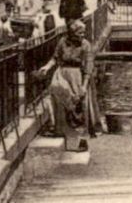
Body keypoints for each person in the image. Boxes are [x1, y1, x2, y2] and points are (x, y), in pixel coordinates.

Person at [36, 20, 91, 148]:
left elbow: (88, 67)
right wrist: (47, 67)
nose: (82, 35)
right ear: (71, 33)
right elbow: (55, 57)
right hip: (62, 74)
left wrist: (84, 85)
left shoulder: (86, 45)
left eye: (83, 33)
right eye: (79, 33)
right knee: (57, 99)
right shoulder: (63, 42)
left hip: (76, 76)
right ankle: (59, 130)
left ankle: (80, 139)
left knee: (77, 105)